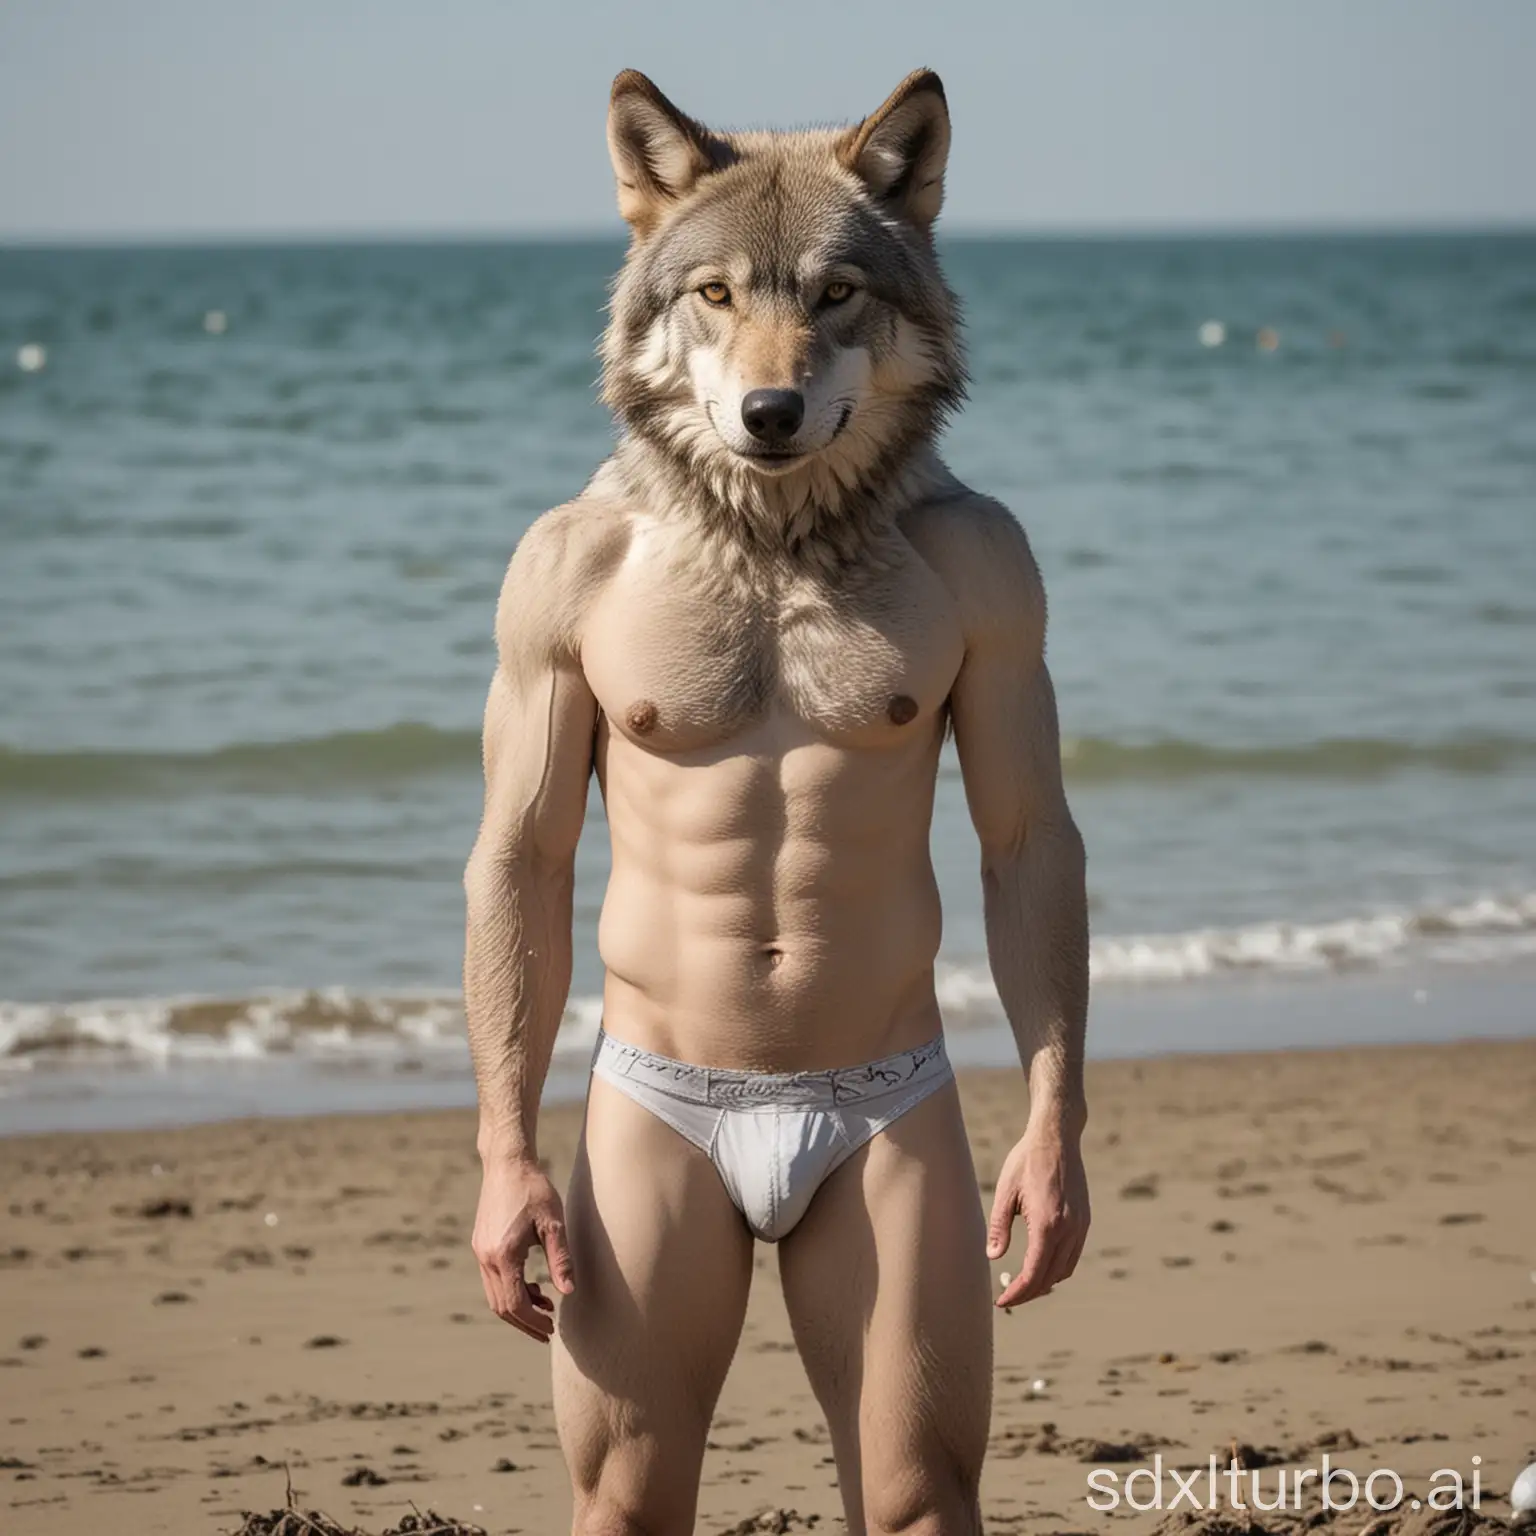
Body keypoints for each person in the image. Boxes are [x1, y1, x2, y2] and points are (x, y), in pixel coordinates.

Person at [465, 66, 1090, 1536]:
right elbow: (519, 863)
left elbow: (1026, 844)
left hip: (887, 1101)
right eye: (723, 301)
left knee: (925, 1508)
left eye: (830, 304)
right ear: (657, 301)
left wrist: (1056, 1115)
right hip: (656, 1102)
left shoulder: (970, 559)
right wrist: (502, 1151)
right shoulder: (577, 562)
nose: (776, 361)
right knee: (621, 1514)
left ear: (903, 299)